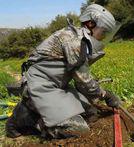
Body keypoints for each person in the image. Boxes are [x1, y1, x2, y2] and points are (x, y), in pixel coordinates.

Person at [5, 4, 121, 139]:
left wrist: (97, 93)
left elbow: (81, 81)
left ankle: (29, 109)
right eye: (103, 32)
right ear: (90, 23)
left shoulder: (78, 37)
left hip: (56, 85)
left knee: (91, 113)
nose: (103, 37)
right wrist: (105, 94)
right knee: (78, 130)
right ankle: (29, 121)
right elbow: (83, 81)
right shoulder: (74, 41)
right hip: (40, 86)